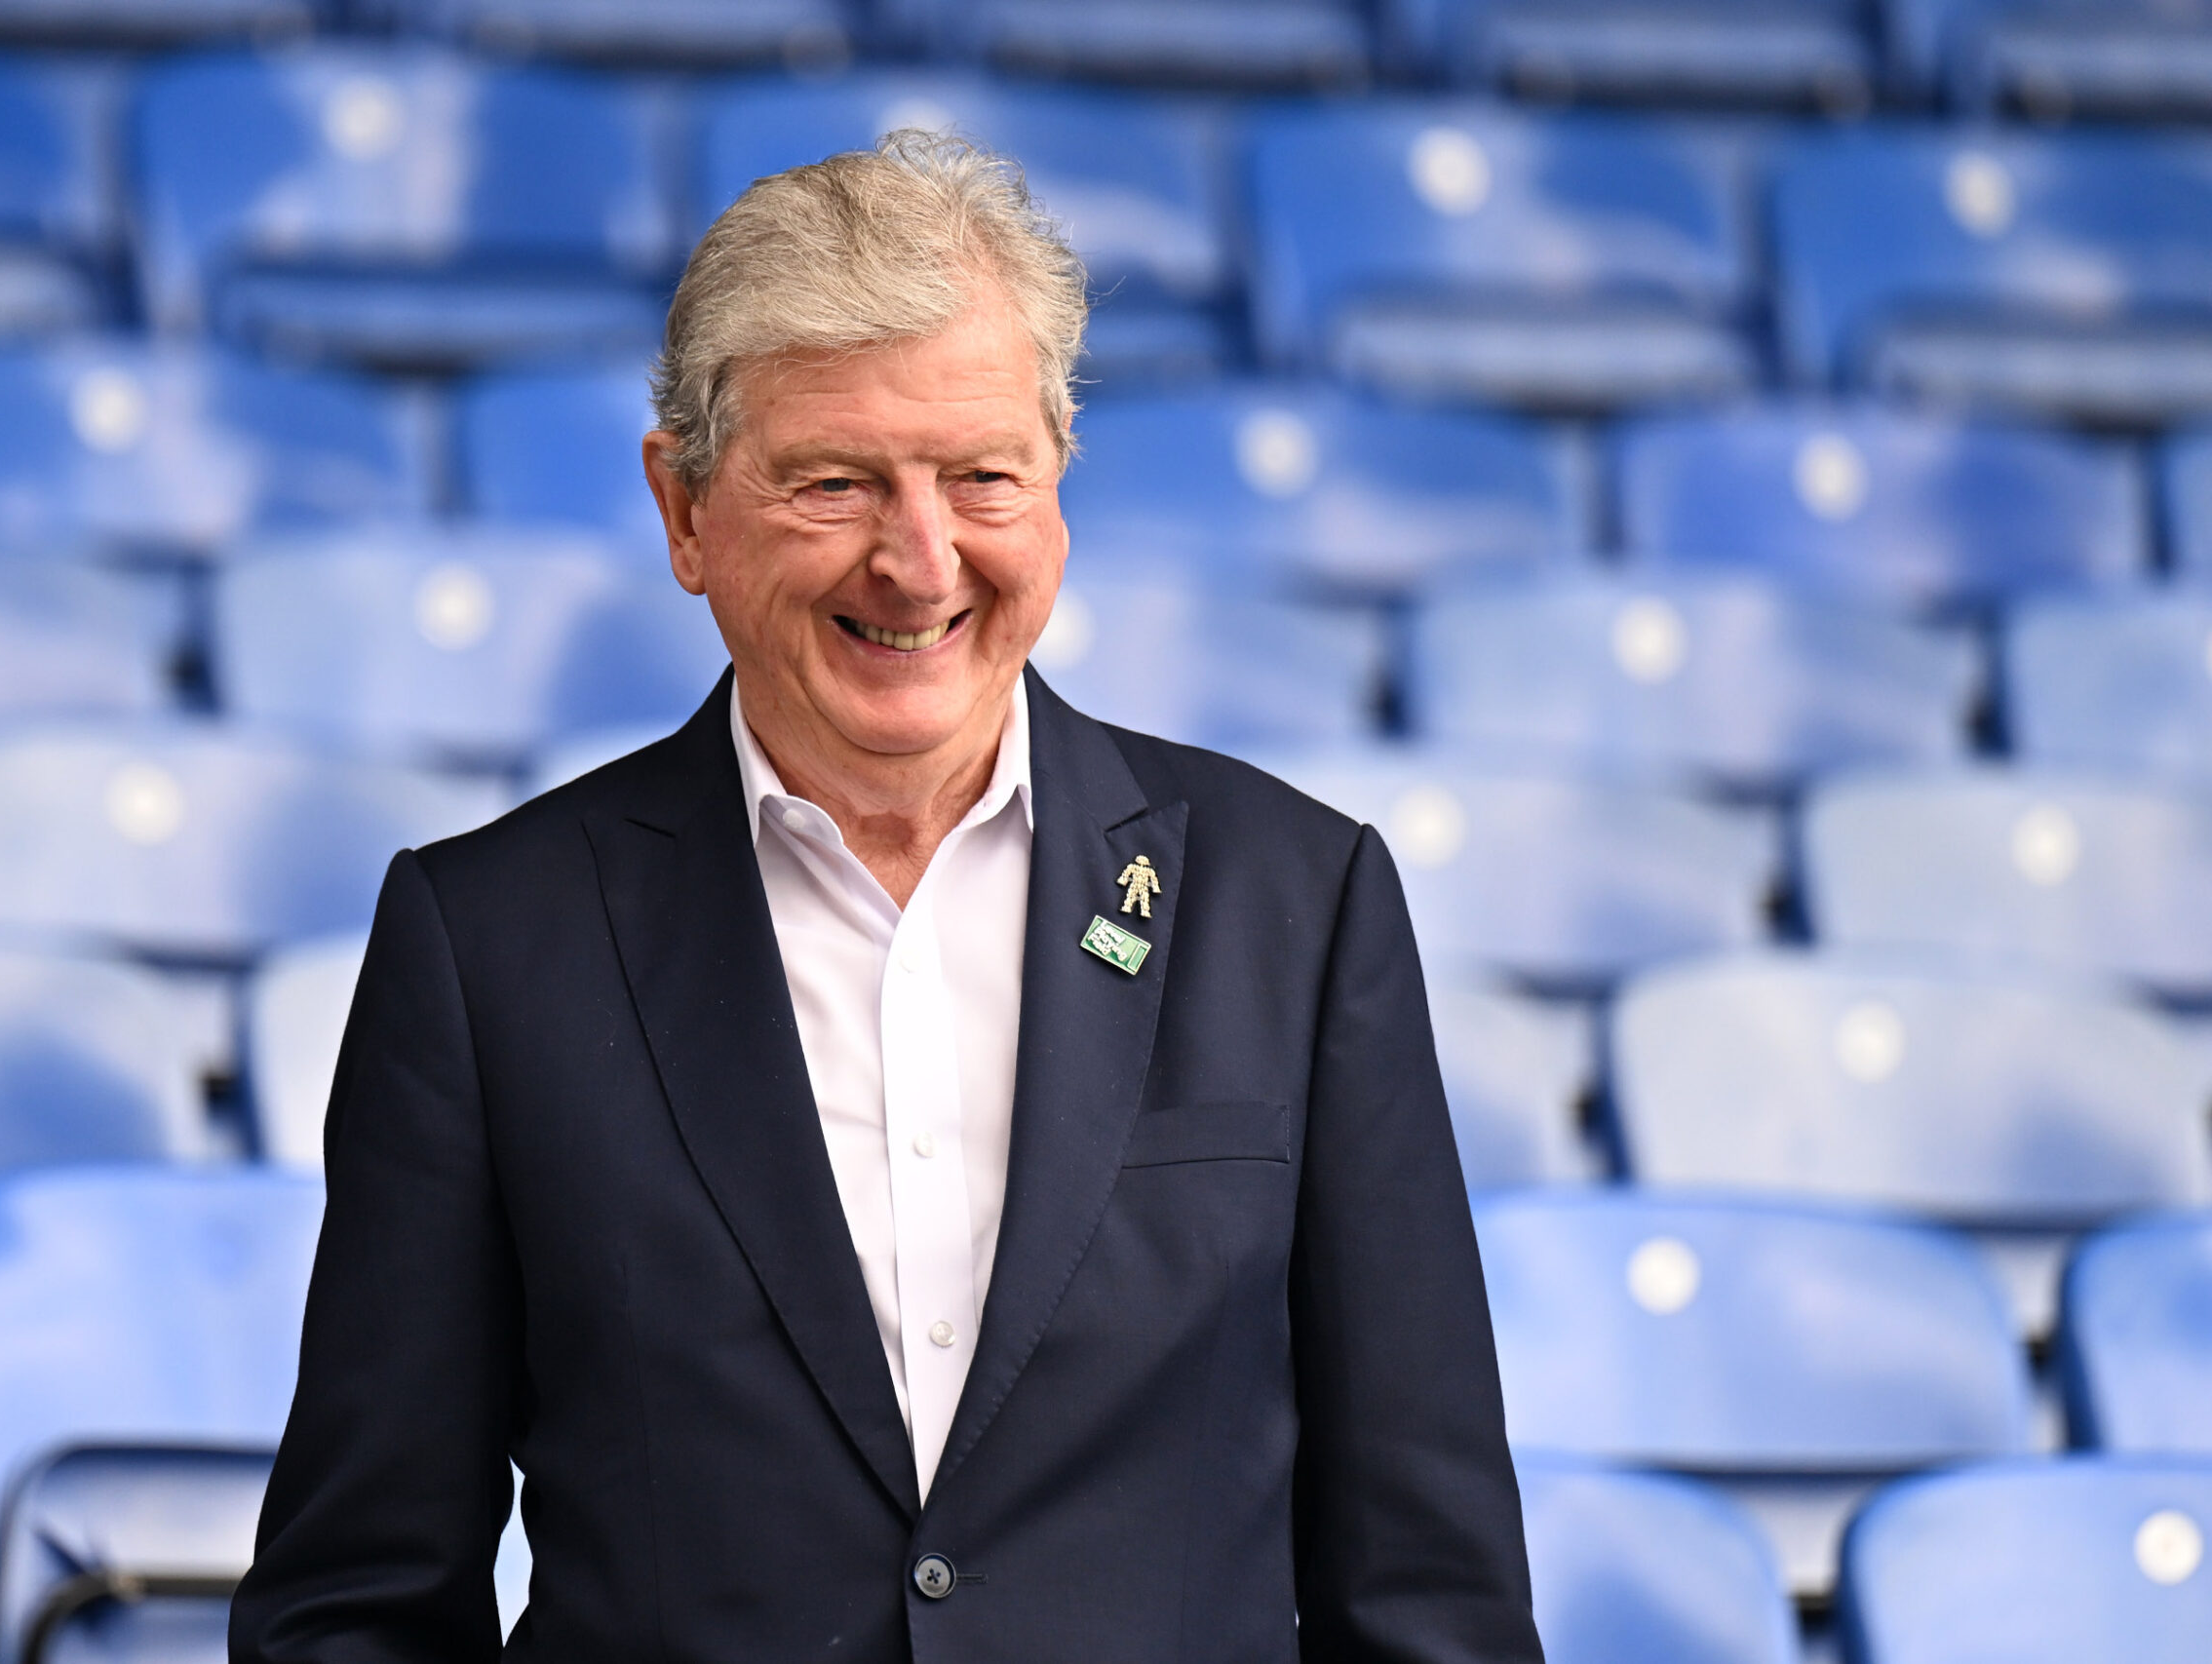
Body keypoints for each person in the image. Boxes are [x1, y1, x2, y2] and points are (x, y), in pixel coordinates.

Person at [232, 132, 1541, 1664]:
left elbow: (1431, 1602)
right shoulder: (487, 947)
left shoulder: (1300, 908)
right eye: (836, 483)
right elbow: (359, 1609)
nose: (920, 564)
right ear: (684, 511)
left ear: (1056, 483)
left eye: (982, 477)